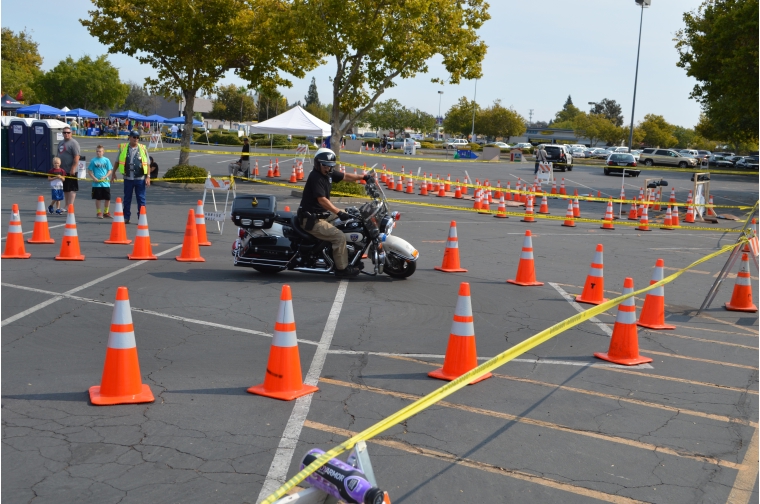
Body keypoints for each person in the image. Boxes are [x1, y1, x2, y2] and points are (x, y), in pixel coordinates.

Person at [297, 148, 371, 278]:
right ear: (317, 164)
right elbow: (322, 200)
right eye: (325, 165)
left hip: (323, 214)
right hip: (311, 219)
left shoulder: (328, 173)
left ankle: (350, 255)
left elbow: (345, 176)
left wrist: (364, 177)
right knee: (339, 237)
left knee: (353, 216)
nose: (328, 168)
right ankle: (342, 269)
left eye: (330, 165)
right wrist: (338, 212)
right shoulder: (316, 177)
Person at [112, 130, 150, 224]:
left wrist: (148, 177)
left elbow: (147, 163)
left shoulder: (143, 148)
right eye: (134, 137)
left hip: (140, 178)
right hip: (128, 178)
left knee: (141, 199)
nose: (136, 139)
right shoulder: (123, 148)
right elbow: (117, 161)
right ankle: (126, 217)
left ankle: (141, 217)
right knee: (127, 198)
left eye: (137, 137)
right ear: (130, 137)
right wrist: (113, 173)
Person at [57, 126, 81, 208]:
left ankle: (70, 206)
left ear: (71, 133)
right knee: (66, 189)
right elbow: (58, 155)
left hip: (71, 170)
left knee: (72, 189)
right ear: (62, 133)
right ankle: (66, 205)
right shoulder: (61, 143)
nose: (66, 134)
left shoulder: (74, 143)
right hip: (63, 170)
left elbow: (77, 157)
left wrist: (73, 168)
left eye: (68, 132)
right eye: (64, 132)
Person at [87, 145, 113, 219]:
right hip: (96, 183)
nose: (98, 153)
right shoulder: (93, 160)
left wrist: (105, 177)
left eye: (100, 151)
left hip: (105, 183)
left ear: (103, 152)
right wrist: (94, 178)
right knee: (98, 198)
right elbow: (89, 171)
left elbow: (110, 170)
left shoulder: (106, 160)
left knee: (107, 198)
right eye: (97, 151)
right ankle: (99, 212)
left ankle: (106, 212)